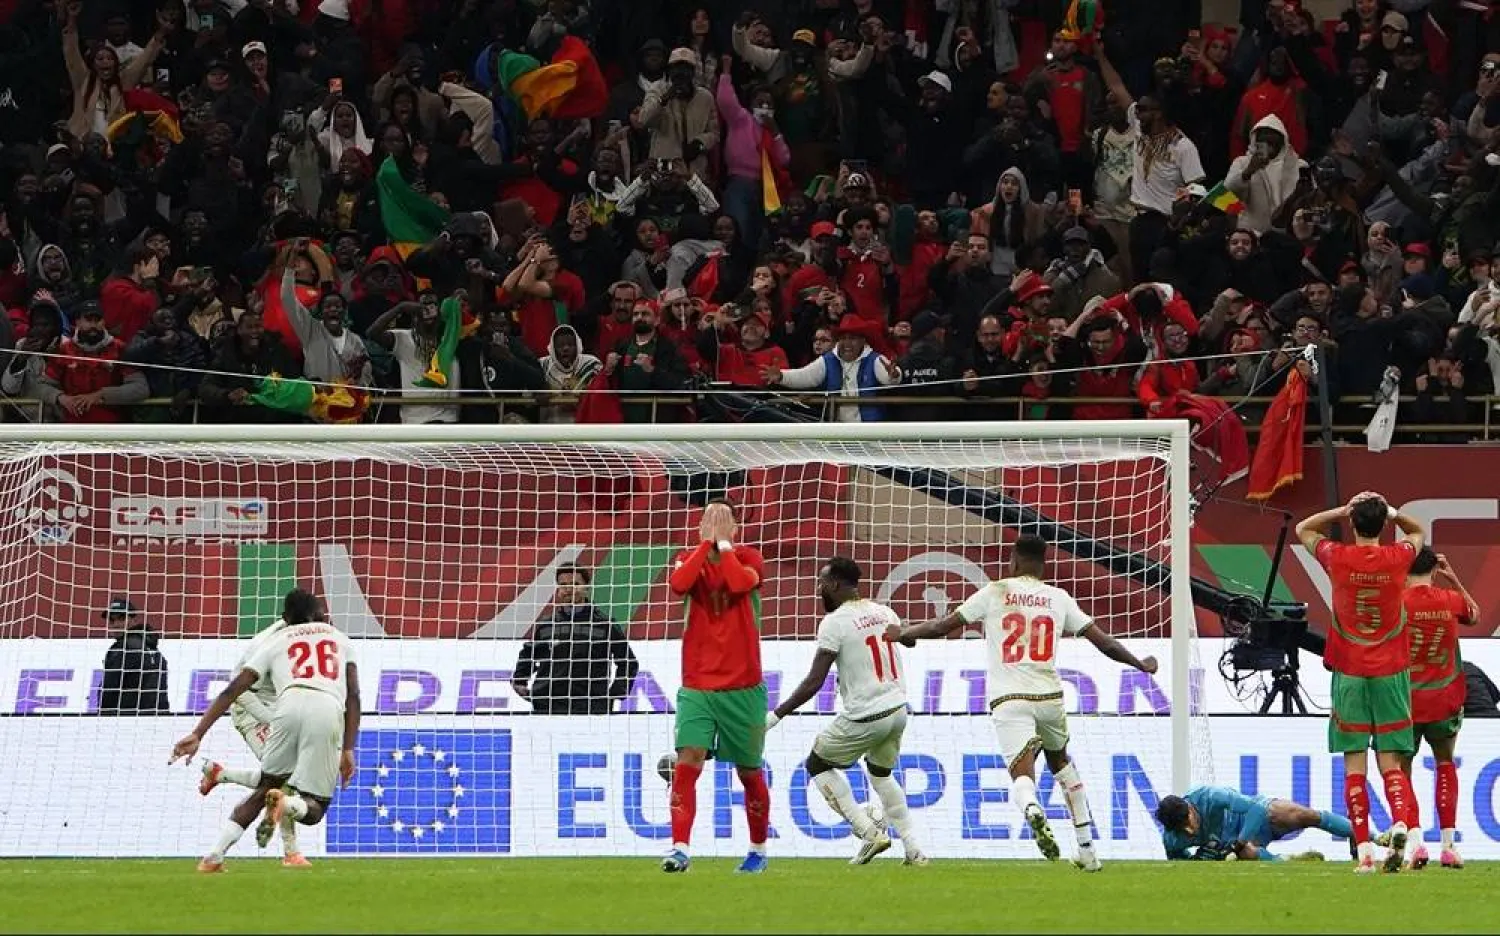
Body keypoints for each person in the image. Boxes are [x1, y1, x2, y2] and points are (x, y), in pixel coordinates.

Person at [888, 534, 1157, 872]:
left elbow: (944, 625)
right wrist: (1139, 664)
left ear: (1013, 560)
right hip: (1050, 695)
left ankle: (1030, 806)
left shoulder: (995, 591)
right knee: (1062, 763)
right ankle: (1087, 849)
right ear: (1043, 563)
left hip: (1009, 697)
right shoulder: (1058, 598)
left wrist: (907, 633)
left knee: (1021, 774)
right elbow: (1103, 642)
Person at [169, 588, 359, 873]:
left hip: (286, 703)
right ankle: (289, 838)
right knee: (311, 803)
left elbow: (233, 688)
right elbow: (353, 696)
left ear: (287, 617)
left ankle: (214, 855)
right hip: (268, 707)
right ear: (322, 613)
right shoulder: (338, 639)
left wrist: (199, 732)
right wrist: (347, 748)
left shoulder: (278, 640)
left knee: (267, 787)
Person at [765, 557, 927, 867]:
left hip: (868, 713)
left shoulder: (835, 622)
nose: (819, 589)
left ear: (836, 585)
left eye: (823, 583)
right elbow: (909, 642)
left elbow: (814, 681)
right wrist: (904, 634)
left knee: (817, 763)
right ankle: (914, 849)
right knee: (881, 775)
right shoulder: (883, 611)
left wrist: (774, 716)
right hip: (897, 710)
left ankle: (868, 831)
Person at [1295, 491, 1426, 873]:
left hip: (1350, 674)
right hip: (1391, 674)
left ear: (1352, 523)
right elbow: (1417, 531)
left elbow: (1304, 528)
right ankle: (1400, 823)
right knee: (1392, 764)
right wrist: (1392, 512)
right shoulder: (1398, 557)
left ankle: (1365, 850)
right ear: (1383, 524)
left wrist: (1341, 509)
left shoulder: (1338, 557)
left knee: (1355, 768)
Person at [662, 499, 769, 874]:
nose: (714, 523)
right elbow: (678, 585)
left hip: (743, 685)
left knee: (748, 772)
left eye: (722, 519)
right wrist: (706, 545)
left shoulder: (750, 558)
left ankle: (757, 850)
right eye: (708, 518)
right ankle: (679, 849)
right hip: (698, 683)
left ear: (736, 527)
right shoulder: (686, 558)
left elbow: (739, 583)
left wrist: (723, 545)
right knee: (688, 759)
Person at [195, 612, 303, 866]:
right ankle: (291, 853)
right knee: (283, 778)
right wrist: (270, 719)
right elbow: (238, 690)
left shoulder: (300, 640)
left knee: (287, 777)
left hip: (277, 709)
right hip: (251, 711)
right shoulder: (265, 645)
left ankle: (220, 774)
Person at [1398, 546, 1478, 870]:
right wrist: (1454, 577)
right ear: (1434, 570)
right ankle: (1448, 846)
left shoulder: (1395, 604)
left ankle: (1415, 844)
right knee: (1444, 764)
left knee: (1401, 770)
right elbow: (1474, 614)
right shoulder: (1448, 599)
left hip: (1405, 702)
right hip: (1444, 699)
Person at [512, 563, 640, 714]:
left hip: (591, 707)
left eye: (575, 584)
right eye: (563, 584)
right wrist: (520, 680)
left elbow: (628, 661)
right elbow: (529, 653)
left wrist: (615, 693)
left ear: (586, 587)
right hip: (547, 703)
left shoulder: (605, 625)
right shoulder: (546, 625)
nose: (568, 589)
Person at [1155, 786, 1352, 861]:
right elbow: (1180, 864)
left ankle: (1371, 837)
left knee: (1298, 814)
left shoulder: (1210, 796)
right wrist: (1198, 862)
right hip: (1237, 848)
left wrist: (1238, 843)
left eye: (1189, 821)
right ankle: (1291, 861)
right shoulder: (1172, 840)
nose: (1190, 830)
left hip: (1256, 823)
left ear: (1190, 808)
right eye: (1183, 829)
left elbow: (1256, 809)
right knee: (1246, 852)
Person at [97, 598, 169, 715]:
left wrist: (103, 717)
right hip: (157, 719)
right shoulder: (154, 649)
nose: (116, 624)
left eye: (121, 618)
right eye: (111, 620)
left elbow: (109, 690)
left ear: (133, 620)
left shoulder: (122, 648)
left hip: (128, 721)